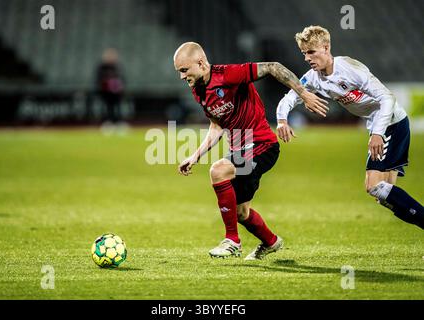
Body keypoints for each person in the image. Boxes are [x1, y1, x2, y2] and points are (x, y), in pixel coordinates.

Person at [173, 42, 329, 259]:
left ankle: (232, 241)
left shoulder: (229, 75)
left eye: (184, 70)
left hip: (262, 145)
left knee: (218, 171)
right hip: (241, 149)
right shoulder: (198, 91)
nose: (182, 77)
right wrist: (195, 155)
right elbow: (217, 125)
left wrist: (303, 94)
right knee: (240, 213)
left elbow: (273, 66)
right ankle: (271, 242)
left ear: (200, 63)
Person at [276, 25, 423, 230]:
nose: (307, 58)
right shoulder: (312, 77)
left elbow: (387, 97)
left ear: (326, 48)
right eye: (304, 53)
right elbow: (290, 98)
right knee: (383, 194)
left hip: (392, 122)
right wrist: (282, 120)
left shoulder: (349, 68)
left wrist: (378, 134)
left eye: (311, 52)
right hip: (382, 126)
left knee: (374, 186)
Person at [96, 48, 125, 123]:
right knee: (107, 107)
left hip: (117, 93)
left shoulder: (118, 67)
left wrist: (119, 87)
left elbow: (122, 79)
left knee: (118, 107)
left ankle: (119, 122)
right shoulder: (102, 67)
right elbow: (99, 79)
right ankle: (107, 122)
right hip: (106, 92)